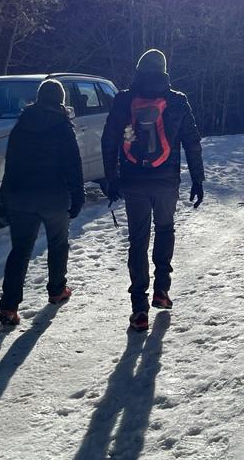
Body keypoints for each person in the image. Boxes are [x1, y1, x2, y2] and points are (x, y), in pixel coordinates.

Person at [102, 49, 205, 333]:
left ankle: (138, 308)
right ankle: (162, 289)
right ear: (164, 71)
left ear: (138, 69)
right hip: (166, 180)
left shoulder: (123, 100)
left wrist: (112, 178)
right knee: (165, 230)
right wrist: (198, 179)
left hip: (133, 180)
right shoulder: (177, 100)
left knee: (138, 239)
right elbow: (192, 143)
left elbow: (110, 140)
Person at [0, 78, 84, 327]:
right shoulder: (62, 126)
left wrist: (5, 197)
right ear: (61, 100)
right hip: (53, 197)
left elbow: (10, 163)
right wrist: (77, 196)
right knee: (58, 244)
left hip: (21, 198)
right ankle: (57, 290)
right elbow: (73, 165)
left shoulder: (21, 125)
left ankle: (9, 308)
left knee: (20, 251)